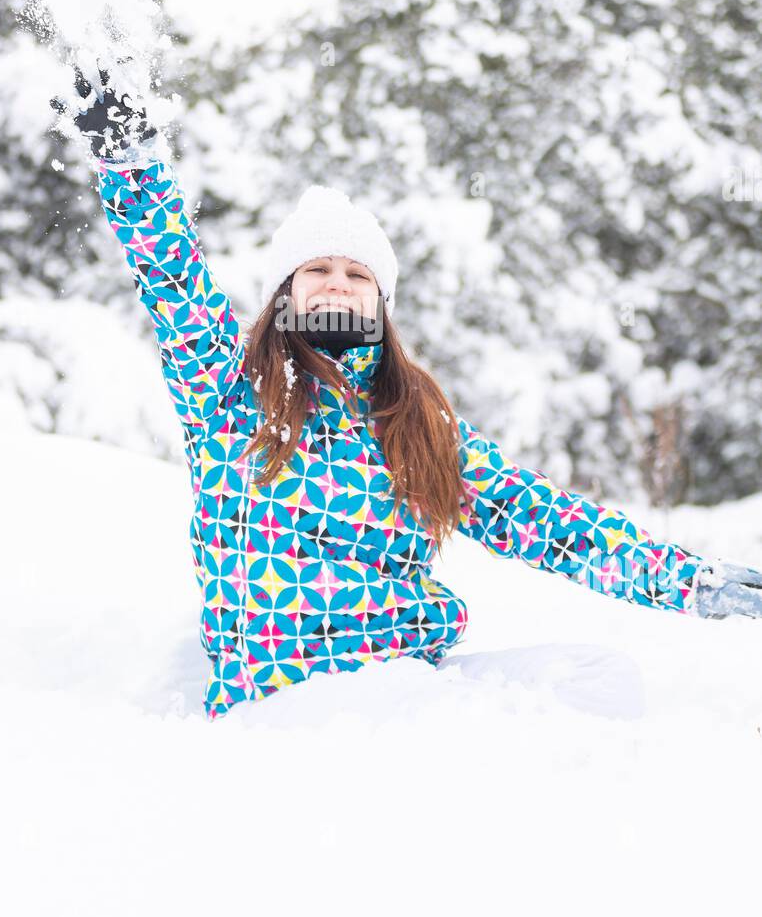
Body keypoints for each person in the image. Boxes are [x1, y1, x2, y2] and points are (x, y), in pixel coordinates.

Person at [54, 67, 762, 721]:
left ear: (381, 303)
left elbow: (553, 526)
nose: (337, 282)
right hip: (273, 713)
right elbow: (172, 276)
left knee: (600, 676)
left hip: (398, 695)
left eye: (357, 275)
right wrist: (131, 161)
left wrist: (690, 581)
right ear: (285, 294)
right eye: (318, 268)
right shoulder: (229, 395)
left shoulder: (415, 426)